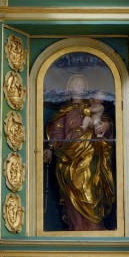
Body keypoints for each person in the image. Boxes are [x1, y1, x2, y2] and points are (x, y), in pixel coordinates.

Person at [44, 75, 115, 231]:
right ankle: (76, 225)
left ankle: (94, 225)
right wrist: (49, 148)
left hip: (90, 153)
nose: (79, 87)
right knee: (73, 191)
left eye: (83, 85)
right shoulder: (64, 111)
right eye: (76, 84)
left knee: (90, 185)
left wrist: (105, 127)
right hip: (68, 156)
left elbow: (104, 121)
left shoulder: (92, 106)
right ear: (69, 88)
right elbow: (57, 132)